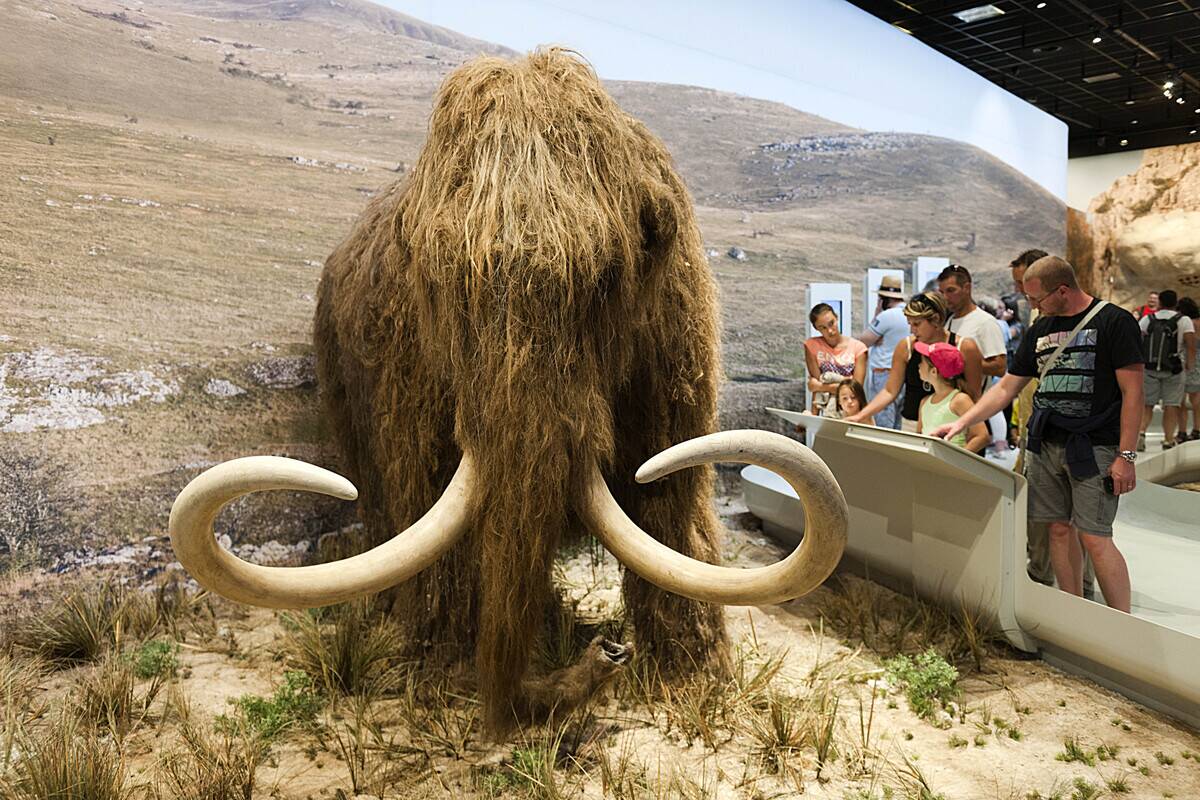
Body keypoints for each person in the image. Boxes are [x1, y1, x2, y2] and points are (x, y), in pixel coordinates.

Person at [931, 256, 1143, 613]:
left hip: (1094, 446)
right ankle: (1072, 610)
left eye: (1036, 298)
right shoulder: (1040, 329)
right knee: (1057, 529)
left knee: (1095, 536)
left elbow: (1133, 393)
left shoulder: (1114, 322)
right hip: (1045, 445)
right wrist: (961, 422)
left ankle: (1122, 621)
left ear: (1063, 290)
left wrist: (1126, 455)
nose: (1032, 306)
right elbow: (1005, 388)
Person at [844, 292, 983, 438]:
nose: (912, 330)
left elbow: (974, 395)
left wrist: (974, 434)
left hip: (954, 426)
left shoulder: (965, 347)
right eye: (910, 324)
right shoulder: (906, 347)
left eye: (917, 324)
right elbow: (890, 391)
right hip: (913, 425)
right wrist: (861, 416)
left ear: (935, 319)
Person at [1138, 289, 1196, 450]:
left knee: (1147, 404)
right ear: (1175, 303)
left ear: (1160, 302)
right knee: (1171, 405)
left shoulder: (1147, 319)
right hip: (1174, 368)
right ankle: (1168, 439)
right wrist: (1189, 364)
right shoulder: (1183, 320)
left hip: (1149, 368)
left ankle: (1141, 433)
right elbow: (1191, 344)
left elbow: (1137, 340)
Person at [914, 342, 990, 452]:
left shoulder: (960, 400)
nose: (919, 365)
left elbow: (982, 435)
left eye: (922, 362)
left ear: (934, 371)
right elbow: (919, 436)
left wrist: (958, 458)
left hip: (950, 460)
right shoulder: (924, 402)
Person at [856, 275, 908, 429]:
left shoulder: (886, 316)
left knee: (882, 423)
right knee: (897, 424)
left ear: (884, 299)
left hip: (884, 375)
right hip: (903, 374)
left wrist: (876, 315)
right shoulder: (909, 313)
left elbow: (863, 341)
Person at [938, 265, 1008, 379]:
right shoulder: (949, 321)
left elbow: (999, 367)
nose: (945, 297)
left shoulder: (985, 322)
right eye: (942, 292)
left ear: (967, 288)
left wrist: (962, 364)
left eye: (951, 290)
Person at [805, 303, 867, 417]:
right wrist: (813, 417)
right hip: (827, 411)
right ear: (816, 328)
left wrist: (820, 386)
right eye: (823, 327)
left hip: (851, 412)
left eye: (831, 323)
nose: (830, 331)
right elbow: (816, 389)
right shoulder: (812, 346)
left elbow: (855, 389)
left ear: (837, 318)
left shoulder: (858, 348)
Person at [1179, 296, 1200, 442]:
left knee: (1181, 399)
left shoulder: (1188, 323)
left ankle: (1182, 430)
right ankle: (1197, 429)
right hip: (1198, 359)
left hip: (1188, 359)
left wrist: (1189, 363)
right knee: (1196, 397)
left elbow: (1190, 345)